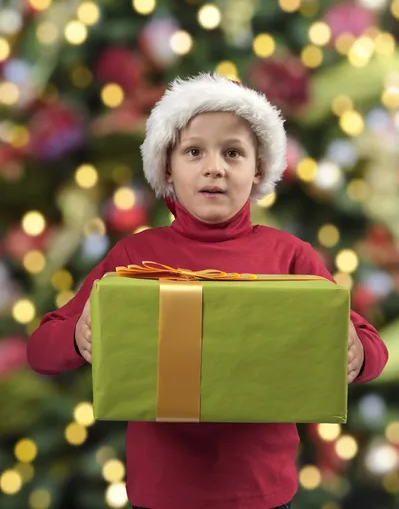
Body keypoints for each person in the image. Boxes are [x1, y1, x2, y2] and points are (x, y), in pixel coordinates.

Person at [27, 73, 389, 509]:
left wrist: (358, 353)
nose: (214, 167)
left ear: (259, 168)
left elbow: (371, 346)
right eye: (194, 151)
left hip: (262, 493)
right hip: (163, 493)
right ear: (166, 165)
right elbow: (41, 350)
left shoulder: (291, 256)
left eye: (233, 153)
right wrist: (76, 337)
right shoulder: (134, 255)